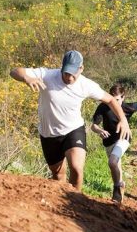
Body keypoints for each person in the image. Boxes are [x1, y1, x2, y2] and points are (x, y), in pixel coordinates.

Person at [10, 50, 129, 191]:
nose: (70, 78)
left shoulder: (86, 84)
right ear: (62, 68)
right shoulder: (47, 75)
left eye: (73, 74)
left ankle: (76, 203)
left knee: (77, 169)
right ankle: (60, 203)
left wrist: (123, 120)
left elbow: (109, 99)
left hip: (73, 130)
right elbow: (14, 71)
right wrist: (26, 78)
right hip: (49, 134)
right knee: (58, 175)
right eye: (66, 73)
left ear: (81, 69)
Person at [91, 84, 137, 203]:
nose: (114, 102)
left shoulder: (126, 107)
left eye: (117, 100)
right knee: (115, 166)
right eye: (112, 99)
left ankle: (116, 189)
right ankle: (120, 189)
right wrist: (100, 131)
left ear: (123, 98)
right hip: (108, 141)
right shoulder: (103, 107)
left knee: (112, 161)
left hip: (123, 138)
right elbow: (93, 126)